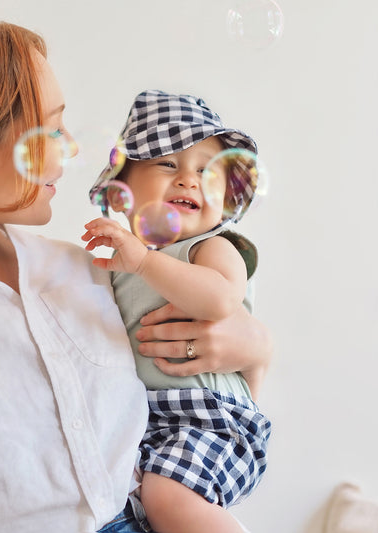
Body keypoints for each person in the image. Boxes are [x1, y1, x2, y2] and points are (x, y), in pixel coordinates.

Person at [0, 21, 272, 533]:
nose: (70, 147)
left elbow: (216, 350)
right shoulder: (119, 269)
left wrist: (258, 349)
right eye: (50, 128)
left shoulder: (87, 268)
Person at [82, 90, 271, 533]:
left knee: (167, 497)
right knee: (142, 506)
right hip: (151, 418)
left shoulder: (211, 247)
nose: (189, 180)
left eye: (207, 172)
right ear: (121, 188)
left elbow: (221, 300)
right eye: (168, 164)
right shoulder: (121, 264)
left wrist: (146, 262)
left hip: (210, 414)